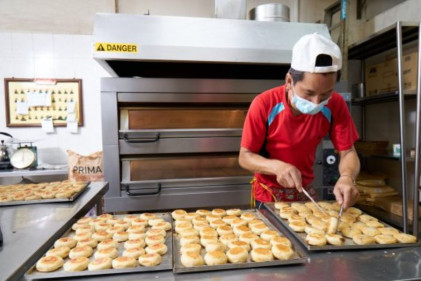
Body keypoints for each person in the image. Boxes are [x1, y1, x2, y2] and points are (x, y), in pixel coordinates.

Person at [239, 33, 360, 210]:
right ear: (289, 81)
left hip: (304, 192)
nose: (317, 103)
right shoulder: (265, 104)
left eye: (325, 94)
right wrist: (276, 167)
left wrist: (347, 177)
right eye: (309, 94)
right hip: (268, 192)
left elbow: (348, 152)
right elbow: (245, 157)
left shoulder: (335, 104)